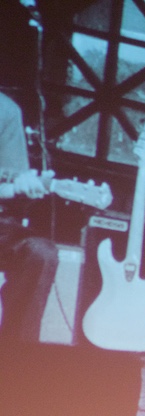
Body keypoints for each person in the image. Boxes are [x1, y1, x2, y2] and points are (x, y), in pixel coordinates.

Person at [0, 91, 58, 343]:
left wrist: (18, 187)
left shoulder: (5, 111)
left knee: (40, 253)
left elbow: (7, 182)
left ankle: (15, 357)